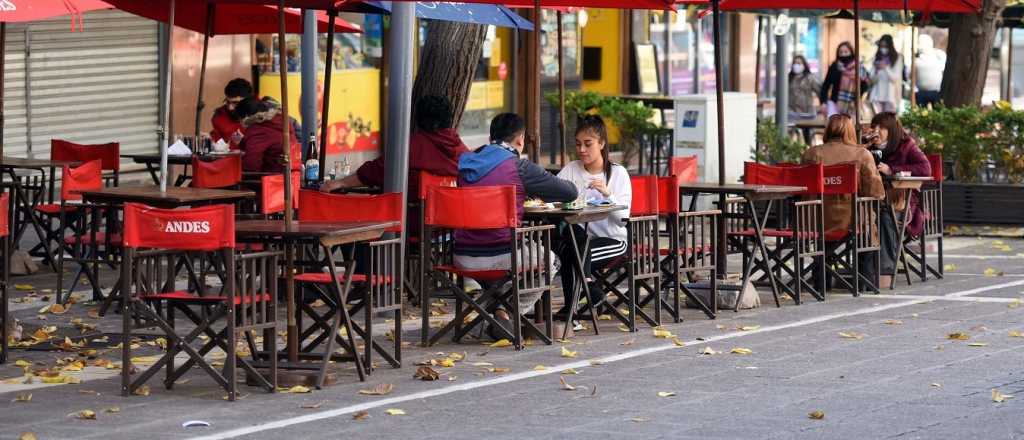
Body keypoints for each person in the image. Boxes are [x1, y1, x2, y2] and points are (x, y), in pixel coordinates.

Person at [454, 113, 578, 339]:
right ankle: (506, 314)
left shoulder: (464, 163)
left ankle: (498, 314)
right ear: (520, 139)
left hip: (462, 256)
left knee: (507, 270)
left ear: (491, 137)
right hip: (503, 254)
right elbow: (569, 192)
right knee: (551, 261)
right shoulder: (518, 167)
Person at [555, 115, 632, 328]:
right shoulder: (571, 169)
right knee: (571, 244)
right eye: (578, 144)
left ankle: (571, 313)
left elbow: (622, 220)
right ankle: (587, 289)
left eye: (588, 144)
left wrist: (608, 194)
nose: (582, 149)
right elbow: (552, 193)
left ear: (602, 143)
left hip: (612, 240)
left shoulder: (618, 173)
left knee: (570, 257)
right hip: (580, 239)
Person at [321, 95, 469, 195]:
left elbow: (376, 171)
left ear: (419, 119)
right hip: (452, 224)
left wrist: (341, 183)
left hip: (412, 223)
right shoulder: (462, 150)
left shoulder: (412, 147)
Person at [801, 114, 885, 288]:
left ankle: (821, 282)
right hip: (853, 222)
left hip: (816, 220)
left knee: (826, 234)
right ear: (850, 131)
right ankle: (864, 280)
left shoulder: (811, 154)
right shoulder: (862, 155)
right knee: (869, 221)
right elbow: (876, 193)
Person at [866, 112, 931, 288]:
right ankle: (863, 271)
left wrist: (891, 169)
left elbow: (925, 168)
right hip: (872, 200)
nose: (876, 131)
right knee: (862, 217)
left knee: (885, 216)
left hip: (903, 204)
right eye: (874, 127)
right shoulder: (868, 148)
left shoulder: (906, 145)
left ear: (892, 130)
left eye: (881, 127)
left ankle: (884, 272)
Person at [233, 96, 302, 173]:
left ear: (245, 117)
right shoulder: (282, 119)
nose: (240, 123)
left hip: (273, 174)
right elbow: (271, 143)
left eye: (239, 120)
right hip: (292, 171)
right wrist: (242, 142)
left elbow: (251, 163)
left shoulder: (257, 129)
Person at [820, 42, 867, 117]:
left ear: (851, 52)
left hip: (853, 105)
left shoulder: (859, 67)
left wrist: (856, 100)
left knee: (850, 124)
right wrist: (823, 102)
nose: (843, 54)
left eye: (846, 52)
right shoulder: (834, 66)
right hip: (835, 103)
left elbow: (865, 86)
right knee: (834, 123)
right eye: (841, 52)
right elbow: (826, 85)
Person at [210, 78, 253, 150]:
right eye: (227, 102)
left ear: (249, 101)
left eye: (235, 103)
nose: (230, 108)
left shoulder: (262, 117)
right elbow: (217, 143)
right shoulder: (219, 117)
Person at [867, 34, 904, 115]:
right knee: (877, 119)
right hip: (876, 95)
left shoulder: (897, 58)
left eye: (885, 46)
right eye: (881, 46)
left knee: (889, 120)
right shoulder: (876, 58)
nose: (883, 49)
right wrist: (877, 70)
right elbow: (871, 79)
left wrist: (885, 68)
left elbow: (895, 78)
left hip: (891, 96)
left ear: (890, 46)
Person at [915, 34, 946, 107]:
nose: (919, 45)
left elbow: (943, 71)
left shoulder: (939, 55)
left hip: (936, 91)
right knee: (921, 111)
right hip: (921, 92)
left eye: (920, 43)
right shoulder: (916, 59)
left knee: (938, 110)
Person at [788, 55, 821, 120]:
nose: (796, 65)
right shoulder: (789, 78)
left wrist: (822, 105)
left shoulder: (810, 78)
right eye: (794, 63)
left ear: (804, 65)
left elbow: (820, 92)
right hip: (792, 113)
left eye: (799, 63)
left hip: (807, 113)